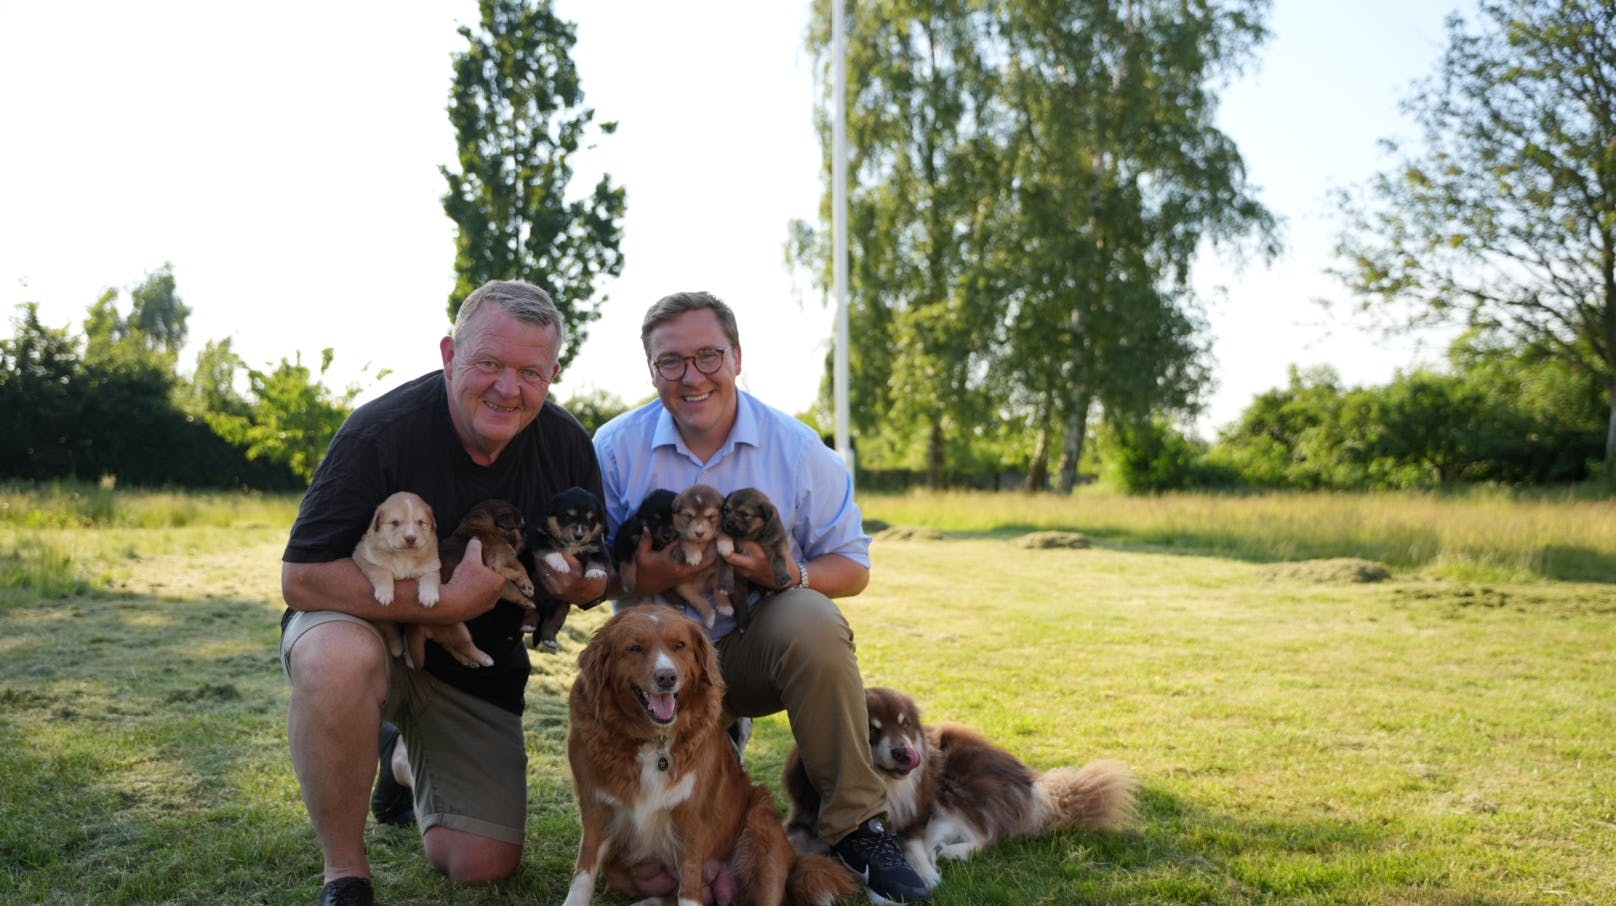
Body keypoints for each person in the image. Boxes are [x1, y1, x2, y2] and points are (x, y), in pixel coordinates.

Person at [592, 290, 932, 903]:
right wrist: (640, 577)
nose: (692, 376)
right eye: (671, 362)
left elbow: (853, 567)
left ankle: (857, 825)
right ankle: (698, 764)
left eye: (707, 356)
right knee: (672, 845)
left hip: (750, 647)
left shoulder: (797, 447)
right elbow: (586, 578)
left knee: (812, 618)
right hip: (656, 670)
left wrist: (789, 575)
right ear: (651, 371)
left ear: (738, 356)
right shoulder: (614, 448)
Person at [279, 280, 607, 906]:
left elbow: (597, 567)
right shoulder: (381, 431)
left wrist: (585, 585)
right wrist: (449, 603)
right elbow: (302, 576)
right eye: (488, 363)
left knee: (481, 864)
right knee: (337, 659)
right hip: (367, 636)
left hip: (473, 668)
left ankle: (400, 757)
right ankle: (345, 877)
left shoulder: (566, 443)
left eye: (529, 371)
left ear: (553, 374)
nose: (508, 388)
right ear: (451, 355)